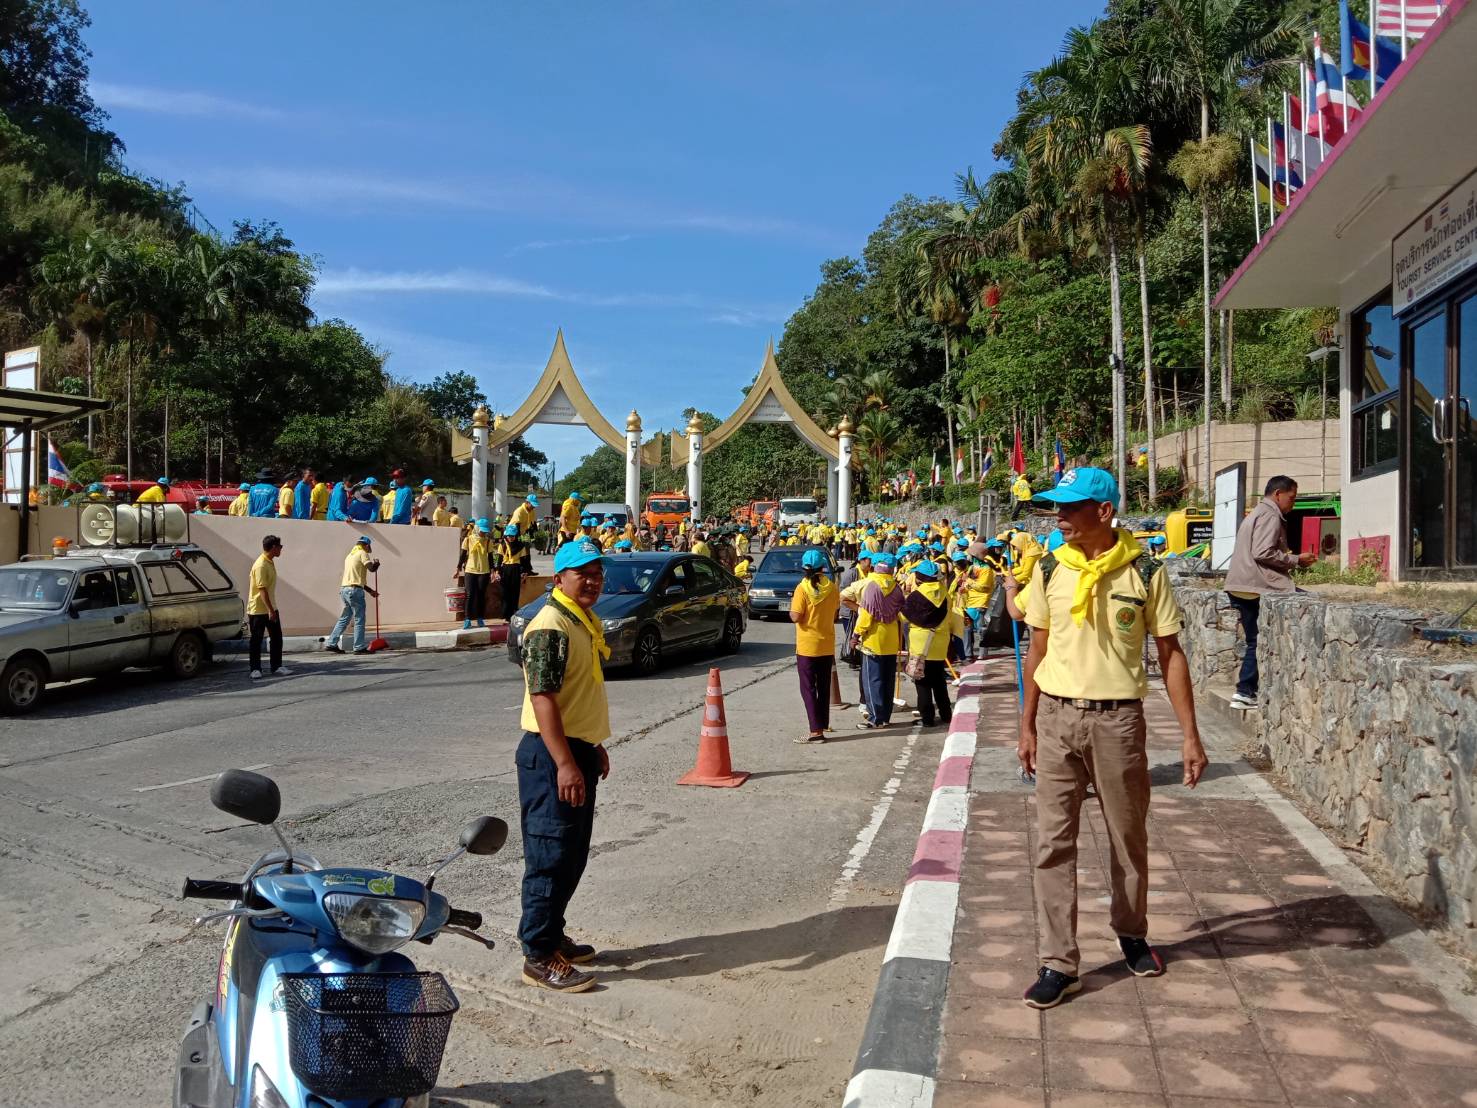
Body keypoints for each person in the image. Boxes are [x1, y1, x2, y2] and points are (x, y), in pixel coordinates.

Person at [1016, 467, 1207, 1009]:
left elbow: (1170, 654)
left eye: (1070, 507)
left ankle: (1131, 933)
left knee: (1128, 837)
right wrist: (1026, 724)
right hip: (1057, 718)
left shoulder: (1145, 572)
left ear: (1104, 511)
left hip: (1118, 722)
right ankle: (1059, 962)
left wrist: (1190, 736)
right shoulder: (1049, 568)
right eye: (1057, 506)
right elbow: (1037, 649)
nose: (1059, 516)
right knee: (1053, 844)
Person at [516, 537, 612, 993]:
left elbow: (578, 694)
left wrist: (593, 746)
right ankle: (537, 955)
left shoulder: (581, 619)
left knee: (572, 854)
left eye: (597, 574)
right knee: (549, 856)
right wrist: (566, 764)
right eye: (583, 574)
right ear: (559, 578)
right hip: (550, 756)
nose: (592, 581)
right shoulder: (550, 624)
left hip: (576, 749)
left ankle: (552, 936)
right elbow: (543, 700)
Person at [1223, 475, 1314, 711]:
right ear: (1278, 494)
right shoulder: (1270, 515)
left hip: (1241, 583)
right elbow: (1262, 552)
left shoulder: (1257, 512)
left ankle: (1245, 691)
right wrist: (1296, 560)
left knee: (1254, 640)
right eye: (1291, 498)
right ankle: (1245, 692)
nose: (1293, 504)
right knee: (1258, 640)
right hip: (1255, 583)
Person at [790, 548, 841, 744]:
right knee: (824, 687)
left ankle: (815, 731)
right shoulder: (832, 587)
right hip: (826, 644)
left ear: (804, 568)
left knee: (808, 688)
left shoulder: (802, 588)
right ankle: (822, 724)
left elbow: (796, 616)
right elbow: (835, 614)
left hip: (807, 645)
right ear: (822, 567)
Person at [851, 552, 904, 729]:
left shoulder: (872, 587)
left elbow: (866, 616)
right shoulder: (897, 588)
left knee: (872, 681)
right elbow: (901, 614)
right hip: (891, 640)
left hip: (873, 641)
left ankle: (875, 718)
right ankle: (885, 717)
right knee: (888, 681)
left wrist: (856, 635)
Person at [906, 560, 955, 727]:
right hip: (940, 644)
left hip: (921, 646)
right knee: (939, 681)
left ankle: (927, 718)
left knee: (922, 683)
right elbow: (949, 616)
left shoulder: (916, 596)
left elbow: (904, 617)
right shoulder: (945, 594)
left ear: (919, 577)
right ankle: (946, 715)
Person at [326, 535, 379, 654]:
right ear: (366, 545)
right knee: (359, 618)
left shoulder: (350, 556)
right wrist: (376, 564)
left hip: (345, 590)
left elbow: (355, 579)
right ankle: (359, 647)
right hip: (354, 591)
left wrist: (370, 591)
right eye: (369, 547)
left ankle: (331, 643)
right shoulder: (362, 553)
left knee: (345, 618)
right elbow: (371, 569)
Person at [247, 534, 290, 680]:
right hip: (258, 609)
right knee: (256, 639)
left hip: (271, 606)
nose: (281, 549)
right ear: (273, 547)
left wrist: (272, 609)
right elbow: (262, 590)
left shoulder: (269, 562)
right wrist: (270, 611)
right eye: (280, 547)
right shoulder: (261, 565)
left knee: (277, 637)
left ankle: (276, 666)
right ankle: (255, 669)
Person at [457, 519, 492, 630]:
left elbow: (490, 558)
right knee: (470, 595)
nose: (483, 533)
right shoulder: (468, 539)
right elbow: (463, 555)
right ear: (476, 529)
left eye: (485, 531)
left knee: (481, 595)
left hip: (484, 571)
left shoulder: (488, 541)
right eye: (482, 531)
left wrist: (493, 571)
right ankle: (467, 619)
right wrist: (458, 568)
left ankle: (480, 618)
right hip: (470, 570)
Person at [497, 523, 527, 622]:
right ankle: (505, 614)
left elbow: (523, 561)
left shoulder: (521, 546)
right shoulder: (502, 545)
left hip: (515, 569)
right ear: (506, 535)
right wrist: (497, 571)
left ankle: (513, 613)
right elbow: (499, 560)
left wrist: (524, 572)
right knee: (504, 592)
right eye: (509, 536)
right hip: (505, 569)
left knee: (514, 592)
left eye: (513, 536)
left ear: (516, 536)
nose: (511, 538)